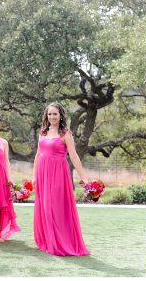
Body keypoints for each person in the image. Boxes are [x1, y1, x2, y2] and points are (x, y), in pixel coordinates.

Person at [33, 103, 90, 256]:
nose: (52, 117)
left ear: (61, 116)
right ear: (46, 115)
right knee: (44, 207)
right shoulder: (43, 132)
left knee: (55, 207)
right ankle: (48, 241)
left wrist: (83, 177)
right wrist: (34, 177)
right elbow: (38, 155)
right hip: (42, 173)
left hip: (58, 173)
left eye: (55, 114)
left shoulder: (66, 134)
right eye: (49, 114)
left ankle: (60, 242)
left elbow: (74, 156)